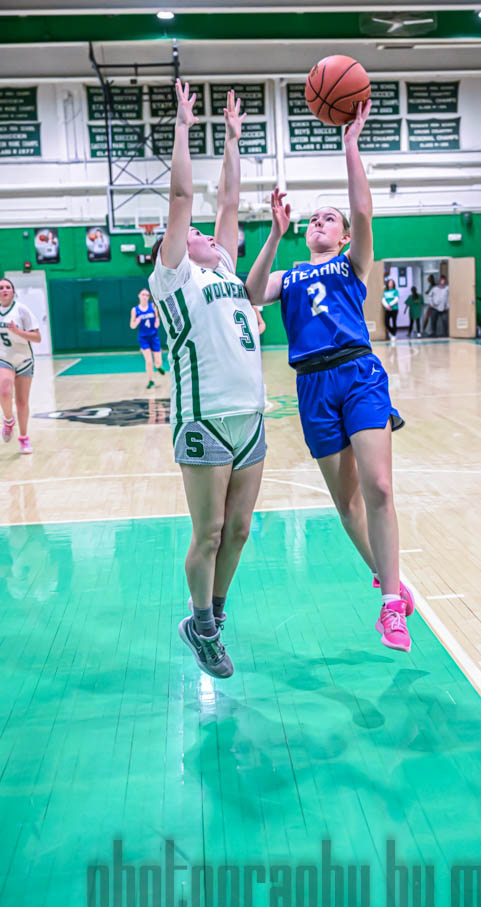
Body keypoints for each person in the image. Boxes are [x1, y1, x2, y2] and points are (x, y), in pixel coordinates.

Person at [246, 100, 415, 652]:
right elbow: (252, 293)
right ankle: (391, 582)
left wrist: (351, 145)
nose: (319, 222)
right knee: (347, 506)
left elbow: (363, 211)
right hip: (312, 386)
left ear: (343, 237)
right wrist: (275, 233)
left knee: (379, 486)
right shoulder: (290, 274)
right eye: (314, 219)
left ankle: (390, 606)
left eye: (329, 219)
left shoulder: (351, 265)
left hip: (357, 373)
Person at [148, 81, 266, 679]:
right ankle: (202, 622)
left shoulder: (226, 270)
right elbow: (182, 196)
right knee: (211, 532)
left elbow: (230, 200)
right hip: (204, 417)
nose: (201, 233)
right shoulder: (174, 279)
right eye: (189, 232)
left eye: (204, 233)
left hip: (251, 417)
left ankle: (209, 621)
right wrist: (183, 127)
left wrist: (233, 138)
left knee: (239, 531)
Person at [0, 277, 41, 454]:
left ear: (13, 291)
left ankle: (24, 438)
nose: (4, 290)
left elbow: (37, 338)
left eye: (7, 287)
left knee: (22, 402)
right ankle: (9, 421)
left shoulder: (21, 310)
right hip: (4, 358)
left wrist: (18, 332)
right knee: (4, 391)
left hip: (24, 360)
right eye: (1, 287)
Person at [129, 288, 165, 389]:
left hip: (154, 337)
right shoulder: (135, 310)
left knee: (158, 362)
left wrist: (157, 322)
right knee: (149, 361)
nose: (145, 297)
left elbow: (157, 318)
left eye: (147, 295)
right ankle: (151, 381)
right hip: (143, 338)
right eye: (143, 294)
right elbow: (132, 325)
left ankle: (158, 367)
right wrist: (136, 321)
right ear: (139, 296)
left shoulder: (152, 306)